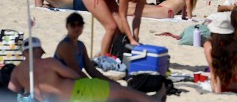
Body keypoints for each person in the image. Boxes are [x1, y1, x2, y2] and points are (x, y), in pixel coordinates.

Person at [8, 37, 160, 102]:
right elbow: (73, 75)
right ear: (39, 50)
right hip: (77, 93)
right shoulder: (49, 63)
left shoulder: (17, 71)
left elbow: (12, 90)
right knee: (123, 91)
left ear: (24, 53)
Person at [75, 0, 163, 57]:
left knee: (121, 29)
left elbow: (137, 16)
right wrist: (131, 39)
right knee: (111, 27)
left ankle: (106, 54)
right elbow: (122, 15)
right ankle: (102, 57)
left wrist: (135, 37)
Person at [203, 11, 237, 95]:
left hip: (222, 87)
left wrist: (217, 92)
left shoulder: (209, 46)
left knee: (215, 68)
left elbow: (214, 72)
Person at [53, 12, 107, 79]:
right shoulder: (65, 46)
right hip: (61, 83)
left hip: (73, 82)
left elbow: (91, 69)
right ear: (67, 27)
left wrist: (109, 81)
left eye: (80, 24)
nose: (77, 28)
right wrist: (92, 84)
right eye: (73, 25)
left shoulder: (81, 45)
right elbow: (75, 71)